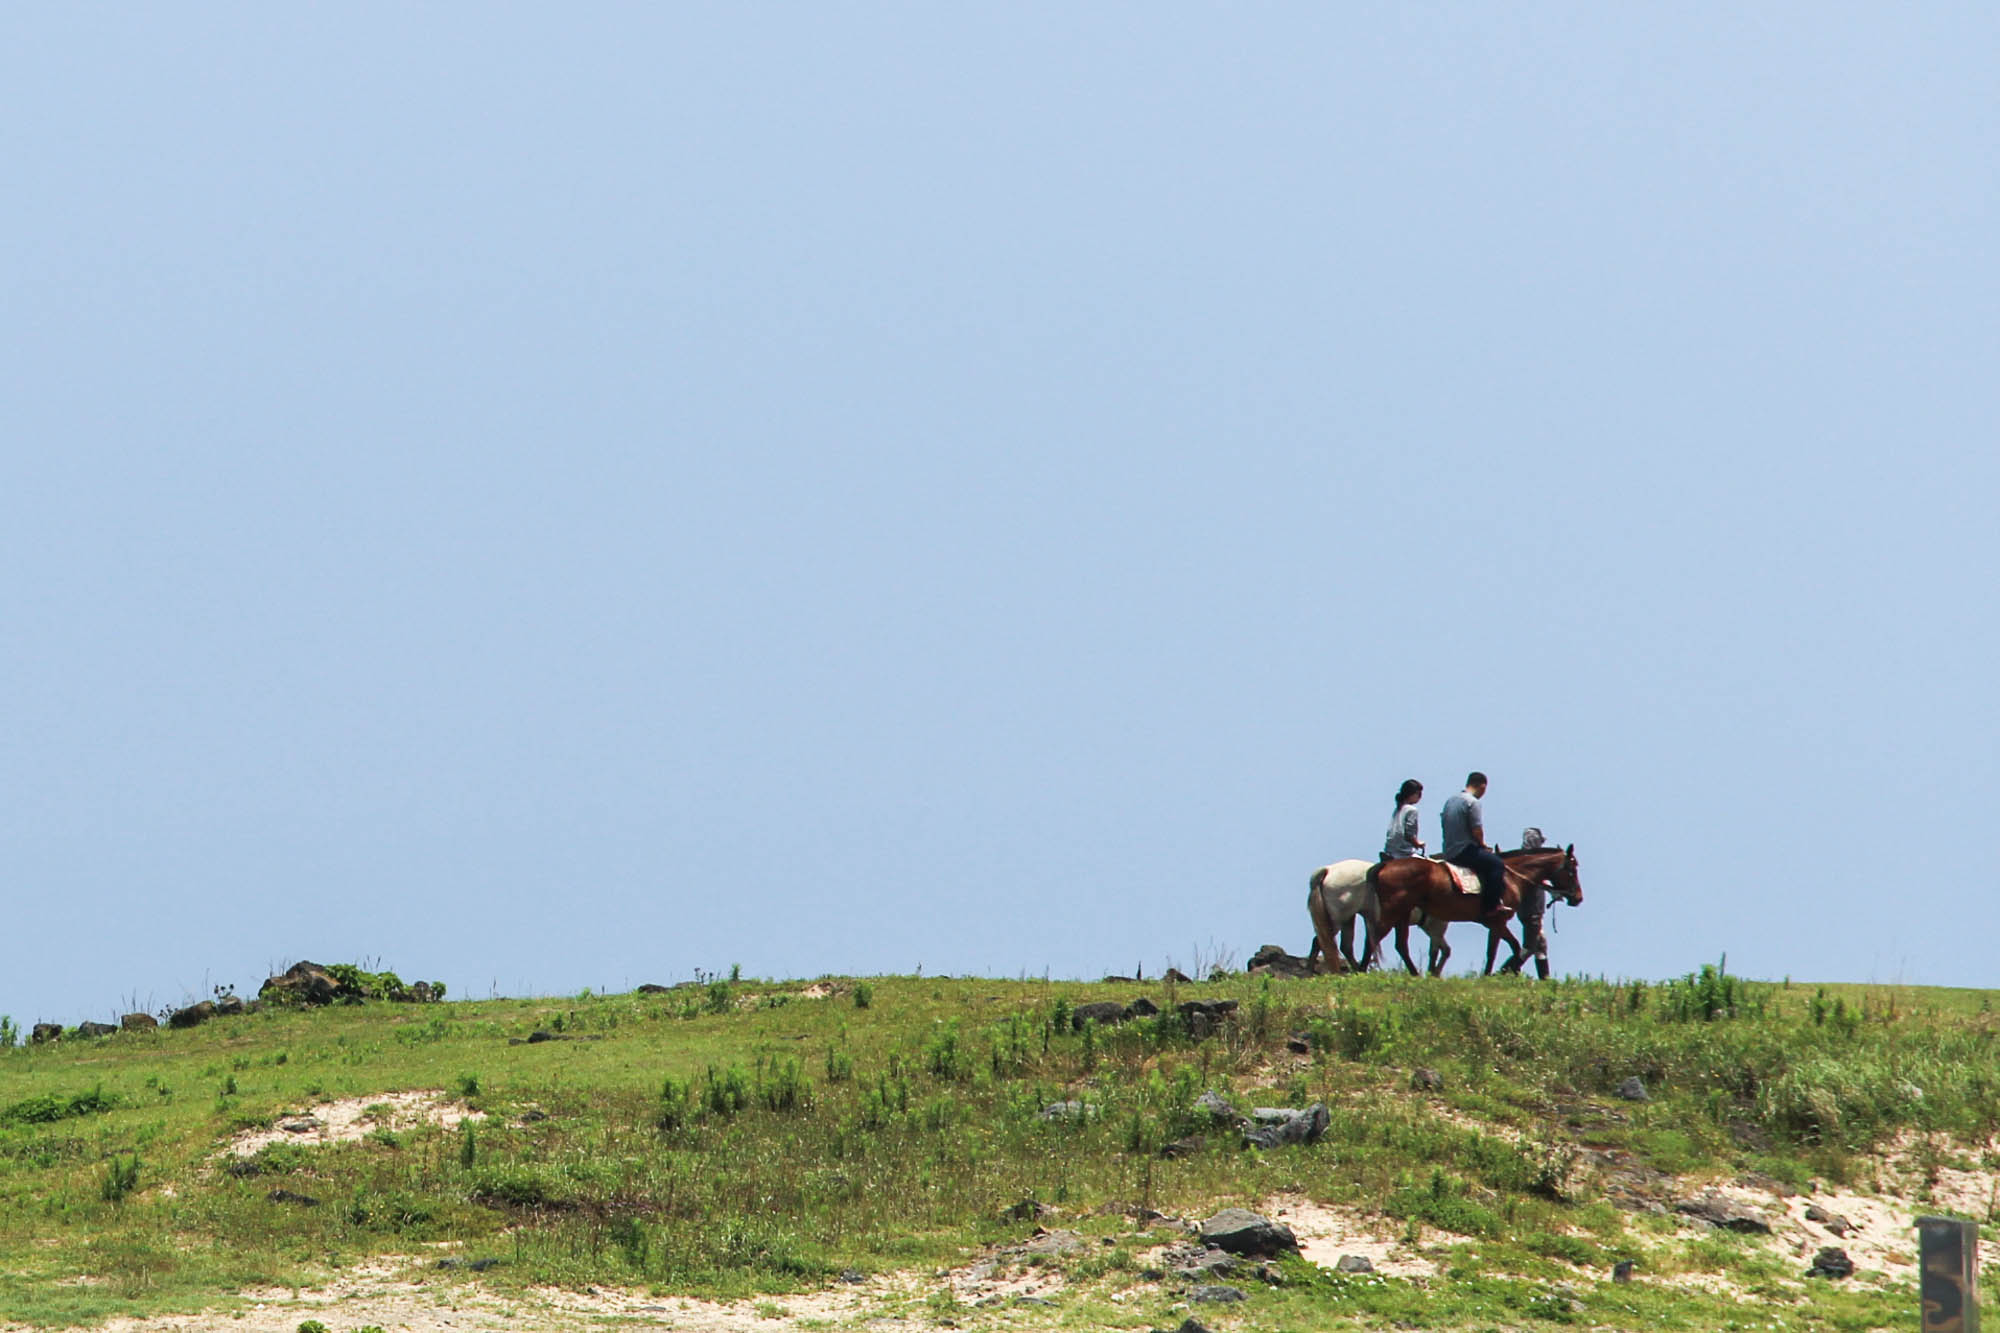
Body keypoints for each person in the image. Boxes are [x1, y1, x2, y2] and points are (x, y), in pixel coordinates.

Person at [1439, 772, 1508, 918]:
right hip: (1464, 850)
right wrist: (1483, 845)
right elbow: (1476, 830)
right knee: (1496, 864)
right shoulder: (1473, 802)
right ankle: (1492, 906)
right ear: (1482, 786)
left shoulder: (1451, 800)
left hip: (1448, 849)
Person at [1382, 779, 1425, 860]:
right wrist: (1418, 844)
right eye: (1418, 794)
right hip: (1403, 853)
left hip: (1389, 851)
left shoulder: (1398, 808)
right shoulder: (1412, 810)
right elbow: (1409, 834)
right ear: (1412, 794)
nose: (1420, 797)